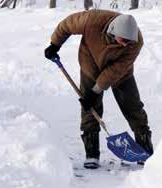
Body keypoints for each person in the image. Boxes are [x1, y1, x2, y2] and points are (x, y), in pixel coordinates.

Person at [44, 9, 153, 169]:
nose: (125, 44)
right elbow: (66, 25)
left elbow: (115, 70)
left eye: (128, 42)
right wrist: (55, 44)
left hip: (121, 74)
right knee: (89, 108)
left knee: (133, 107)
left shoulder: (136, 41)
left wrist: (95, 91)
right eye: (123, 40)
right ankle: (92, 154)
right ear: (114, 31)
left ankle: (144, 150)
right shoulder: (92, 20)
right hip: (90, 66)